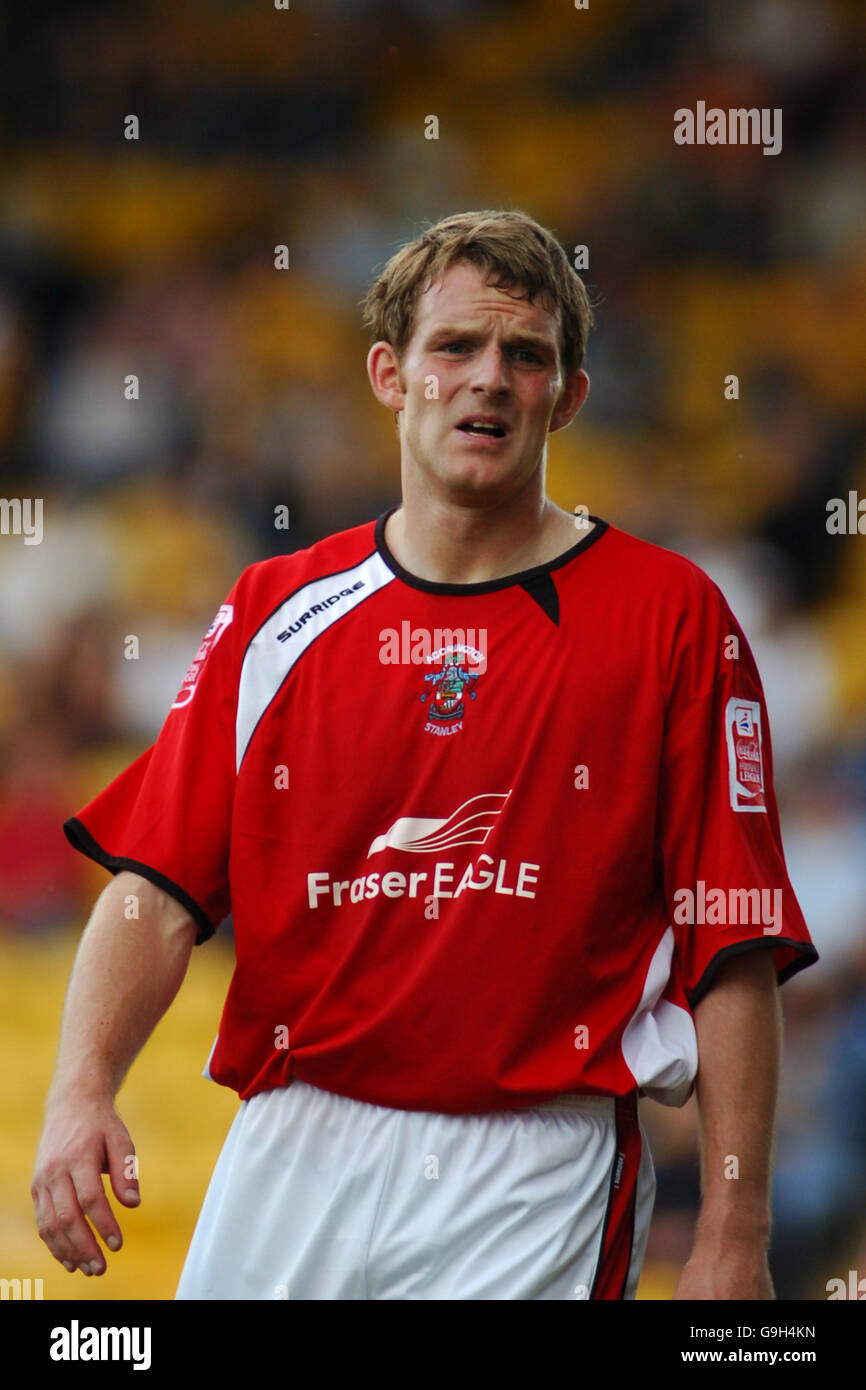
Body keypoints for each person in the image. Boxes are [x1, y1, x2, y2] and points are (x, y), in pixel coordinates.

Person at [32, 208, 817, 1300]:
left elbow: (730, 945)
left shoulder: (670, 619)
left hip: (534, 1166)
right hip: (289, 1145)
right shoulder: (278, 611)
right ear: (390, 375)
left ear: (568, 395)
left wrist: (736, 1232)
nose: (488, 379)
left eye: (525, 355)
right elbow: (153, 888)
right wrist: (79, 1089)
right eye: (454, 346)